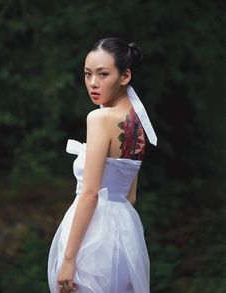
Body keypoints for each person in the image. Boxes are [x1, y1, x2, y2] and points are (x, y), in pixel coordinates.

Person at [48, 37, 157, 293]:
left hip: (92, 235)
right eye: (87, 75)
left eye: (103, 74)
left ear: (125, 75)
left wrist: (69, 258)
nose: (93, 83)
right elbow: (130, 196)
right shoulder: (138, 122)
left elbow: (90, 193)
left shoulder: (99, 117)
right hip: (125, 234)